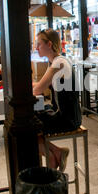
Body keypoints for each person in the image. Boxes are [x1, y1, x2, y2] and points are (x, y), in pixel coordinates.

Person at [33, 29, 82, 171]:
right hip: (64, 114)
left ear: (49, 44)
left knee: (29, 129)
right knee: (31, 123)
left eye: (39, 44)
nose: (36, 48)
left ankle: (53, 162)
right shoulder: (56, 61)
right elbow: (40, 85)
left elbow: (38, 90)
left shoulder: (58, 63)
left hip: (68, 118)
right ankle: (56, 153)